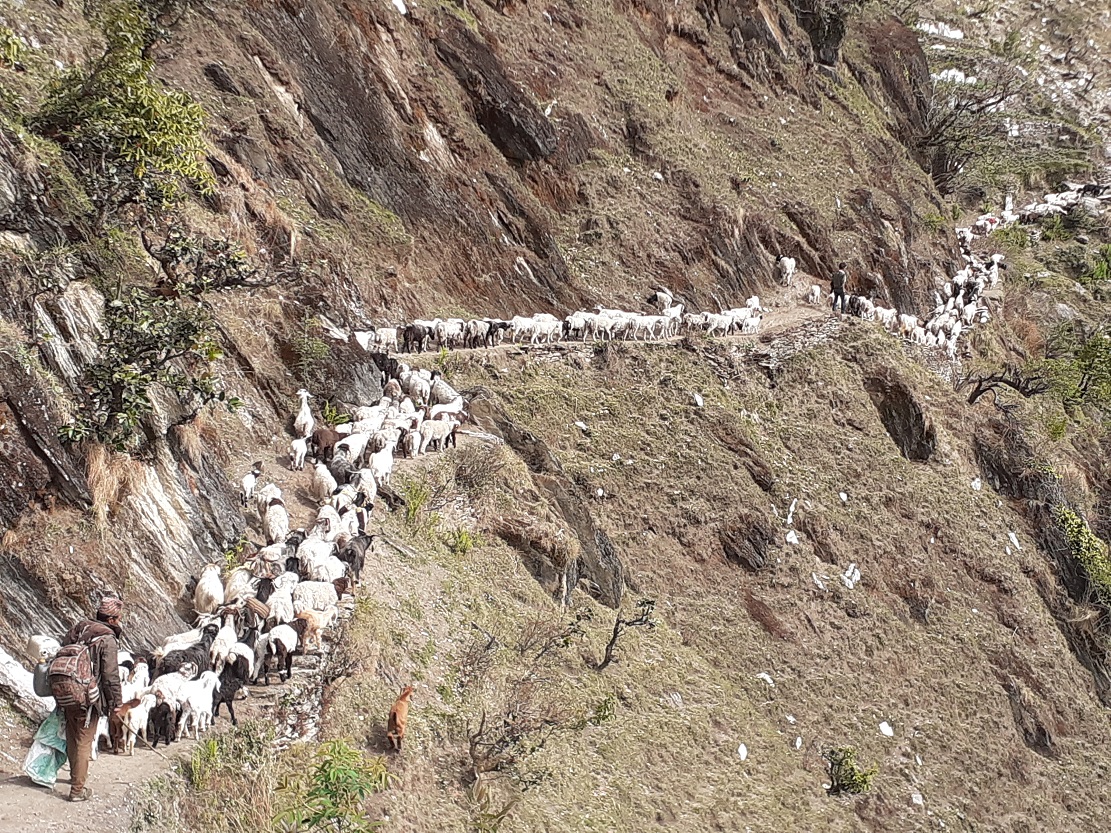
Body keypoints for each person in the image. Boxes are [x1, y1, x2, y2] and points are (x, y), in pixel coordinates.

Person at [59, 596, 124, 802]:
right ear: (112, 619)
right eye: (119, 618)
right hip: (89, 697)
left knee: (72, 734)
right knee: (85, 739)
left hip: (66, 691)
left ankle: (74, 776)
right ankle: (77, 790)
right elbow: (111, 674)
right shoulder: (107, 639)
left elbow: (62, 649)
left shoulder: (80, 628)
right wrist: (116, 703)